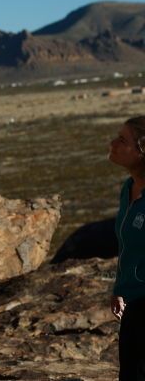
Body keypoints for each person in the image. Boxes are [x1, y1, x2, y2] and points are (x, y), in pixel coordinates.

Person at [108, 115, 145, 380]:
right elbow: (128, 245)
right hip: (134, 303)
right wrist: (120, 289)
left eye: (122, 140)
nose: (113, 143)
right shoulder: (127, 188)